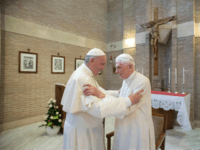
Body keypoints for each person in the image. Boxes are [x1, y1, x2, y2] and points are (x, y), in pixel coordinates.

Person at [61, 48, 143, 150]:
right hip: (83, 132)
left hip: (86, 127)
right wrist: (128, 101)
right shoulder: (83, 78)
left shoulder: (86, 74)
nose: (103, 68)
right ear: (92, 61)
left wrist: (119, 93)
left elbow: (100, 92)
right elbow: (98, 108)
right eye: (102, 64)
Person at [83, 53, 155, 150]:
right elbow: (120, 94)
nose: (116, 71)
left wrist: (101, 95)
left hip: (136, 128)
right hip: (123, 126)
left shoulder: (142, 82)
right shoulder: (126, 79)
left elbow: (127, 108)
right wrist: (99, 92)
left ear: (130, 66)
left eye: (119, 67)